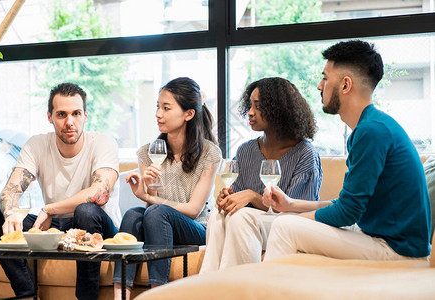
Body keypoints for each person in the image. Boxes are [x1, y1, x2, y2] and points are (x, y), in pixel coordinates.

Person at [263, 40, 431, 262]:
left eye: (325, 78)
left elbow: (347, 213)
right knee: (286, 221)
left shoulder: (371, 132)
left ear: (345, 85)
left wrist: (297, 219)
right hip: (382, 239)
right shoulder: (371, 127)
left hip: (397, 250)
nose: (319, 86)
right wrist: (292, 205)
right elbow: (348, 203)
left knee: (285, 226)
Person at [0, 82, 121, 300]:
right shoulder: (37, 144)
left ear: (85, 115)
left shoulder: (103, 142)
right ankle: (27, 294)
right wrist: (11, 212)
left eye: (76, 113)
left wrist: (49, 209)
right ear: (50, 117)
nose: (70, 122)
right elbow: (10, 190)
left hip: (97, 226)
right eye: (61, 114)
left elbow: (100, 193)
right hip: (55, 228)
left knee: (85, 211)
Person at [112, 77, 222, 299]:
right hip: (159, 223)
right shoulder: (148, 152)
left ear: (188, 114)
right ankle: (120, 294)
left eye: (166, 108)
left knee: (156, 211)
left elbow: (192, 210)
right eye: (157, 107)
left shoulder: (210, 153)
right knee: (133, 214)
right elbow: (151, 204)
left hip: (196, 228)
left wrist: (150, 199)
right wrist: (148, 191)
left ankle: (157, 293)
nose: (158, 114)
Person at [199, 77, 322, 273]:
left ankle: (243, 289)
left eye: (258, 106)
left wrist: (253, 197)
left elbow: (298, 212)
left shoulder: (305, 153)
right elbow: (237, 198)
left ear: (278, 109)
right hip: (250, 223)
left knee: (242, 217)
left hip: (288, 226)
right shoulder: (246, 150)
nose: (250, 112)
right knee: (217, 216)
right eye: (249, 105)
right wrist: (228, 198)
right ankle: (210, 287)